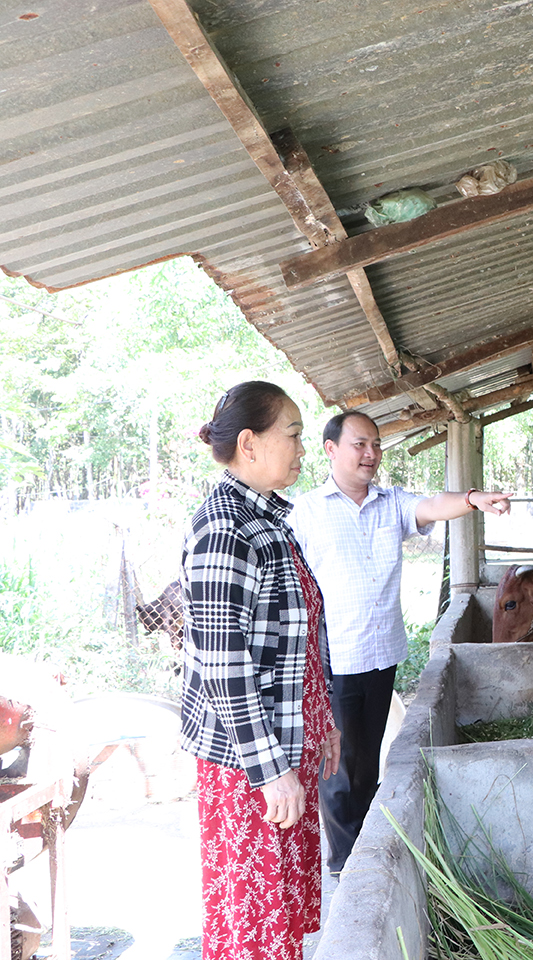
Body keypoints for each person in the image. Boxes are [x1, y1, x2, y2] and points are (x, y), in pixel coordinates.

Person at [286, 410, 511, 877]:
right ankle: (346, 863)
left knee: (367, 756)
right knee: (340, 764)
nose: (371, 454)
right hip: (336, 658)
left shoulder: (390, 502)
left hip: (381, 652)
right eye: (359, 445)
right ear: (331, 450)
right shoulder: (306, 513)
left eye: (376, 445)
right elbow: (295, 589)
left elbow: (431, 505)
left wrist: (473, 499)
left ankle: (366, 842)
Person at [179, 380, 341, 960]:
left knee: (280, 918)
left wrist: (321, 720)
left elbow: (294, 640)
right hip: (249, 765)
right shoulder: (227, 532)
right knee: (255, 925)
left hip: (283, 750)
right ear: (249, 444)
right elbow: (225, 666)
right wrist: (272, 772)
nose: (303, 447)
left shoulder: (267, 521)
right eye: (294, 435)